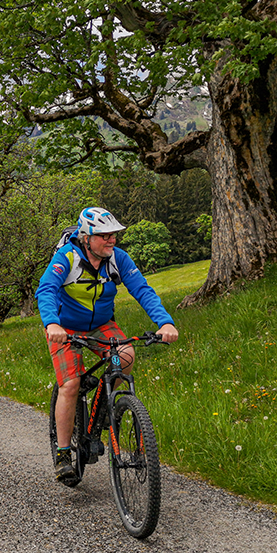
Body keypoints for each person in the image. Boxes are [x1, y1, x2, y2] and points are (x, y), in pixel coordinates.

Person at [35, 207, 179, 483]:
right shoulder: (66, 258)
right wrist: (52, 324)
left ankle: (104, 410)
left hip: (101, 325)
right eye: (104, 235)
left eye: (114, 234)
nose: (112, 240)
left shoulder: (118, 259)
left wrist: (165, 322)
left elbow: (142, 290)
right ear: (86, 237)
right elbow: (47, 290)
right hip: (64, 329)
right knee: (71, 385)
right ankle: (64, 454)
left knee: (124, 356)